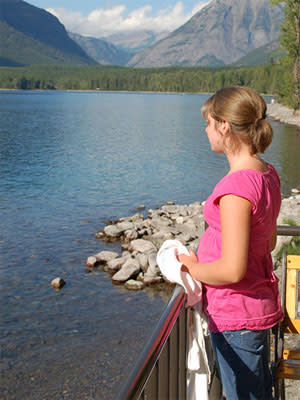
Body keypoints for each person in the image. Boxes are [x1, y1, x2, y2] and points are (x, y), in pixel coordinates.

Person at [178, 86, 283, 400]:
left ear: (224, 125)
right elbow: (270, 239)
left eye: (209, 123)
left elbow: (233, 269)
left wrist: (193, 267)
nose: (206, 130)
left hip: (236, 315)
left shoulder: (236, 187)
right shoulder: (267, 174)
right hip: (253, 308)